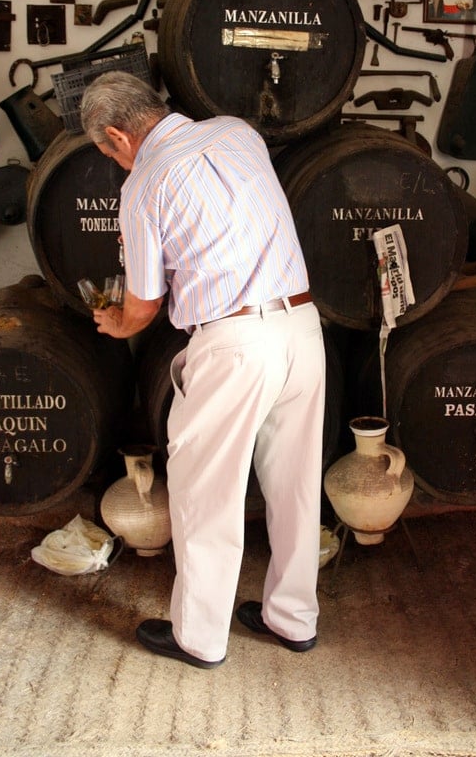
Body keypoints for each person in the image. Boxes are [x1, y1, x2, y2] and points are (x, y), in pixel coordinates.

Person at [80, 71, 326, 670]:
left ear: (117, 134)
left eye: (107, 151)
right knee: (295, 484)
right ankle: (291, 619)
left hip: (235, 344)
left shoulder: (144, 184)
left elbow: (143, 305)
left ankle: (199, 638)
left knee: (205, 493)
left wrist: (117, 323)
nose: (113, 162)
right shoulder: (238, 133)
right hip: (301, 325)